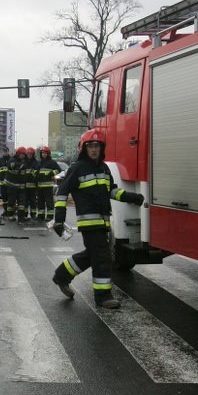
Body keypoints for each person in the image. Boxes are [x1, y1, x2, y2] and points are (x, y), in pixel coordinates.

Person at [51, 129, 145, 310]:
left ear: (102, 148)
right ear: (84, 149)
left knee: (92, 255)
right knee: (102, 257)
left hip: (103, 222)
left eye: (97, 146)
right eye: (90, 146)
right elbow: (62, 193)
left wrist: (131, 197)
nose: (94, 150)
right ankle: (103, 297)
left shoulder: (104, 168)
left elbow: (112, 191)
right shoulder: (77, 168)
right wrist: (59, 220)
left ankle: (61, 275)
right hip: (89, 224)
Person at [35, 146, 61, 222]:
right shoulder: (39, 162)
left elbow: (58, 169)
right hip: (40, 186)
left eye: (45, 153)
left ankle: (50, 216)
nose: (44, 154)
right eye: (42, 153)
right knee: (40, 202)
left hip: (48, 186)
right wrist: (36, 173)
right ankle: (41, 215)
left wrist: (52, 173)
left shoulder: (52, 162)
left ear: (48, 154)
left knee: (49, 202)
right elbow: (36, 170)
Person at [4, 147, 26, 221]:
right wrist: (20, 165)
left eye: (24, 154)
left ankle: (21, 216)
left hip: (21, 186)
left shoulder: (24, 161)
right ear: (18, 153)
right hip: (12, 185)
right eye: (21, 154)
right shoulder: (12, 160)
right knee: (11, 201)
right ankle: (10, 215)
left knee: (21, 203)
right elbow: (11, 166)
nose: (22, 156)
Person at [21, 147, 39, 221]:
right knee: (24, 201)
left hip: (33, 186)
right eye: (28, 154)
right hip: (24, 186)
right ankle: (25, 214)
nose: (29, 155)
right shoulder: (23, 162)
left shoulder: (36, 163)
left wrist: (34, 175)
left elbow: (37, 173)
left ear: (33, 155)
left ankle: (33, 214)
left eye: (30, 154)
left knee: (33, 201)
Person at [0, 146, 12, 216]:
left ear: (8, 151)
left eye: (6, 151)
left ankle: (10, 211)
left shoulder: (12, 160)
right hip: (2, 184)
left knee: (11, 198)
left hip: (10, 184)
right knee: (4, 199)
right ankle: (5, 211)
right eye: (4, 151)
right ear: (3, 152)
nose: (5, 152)